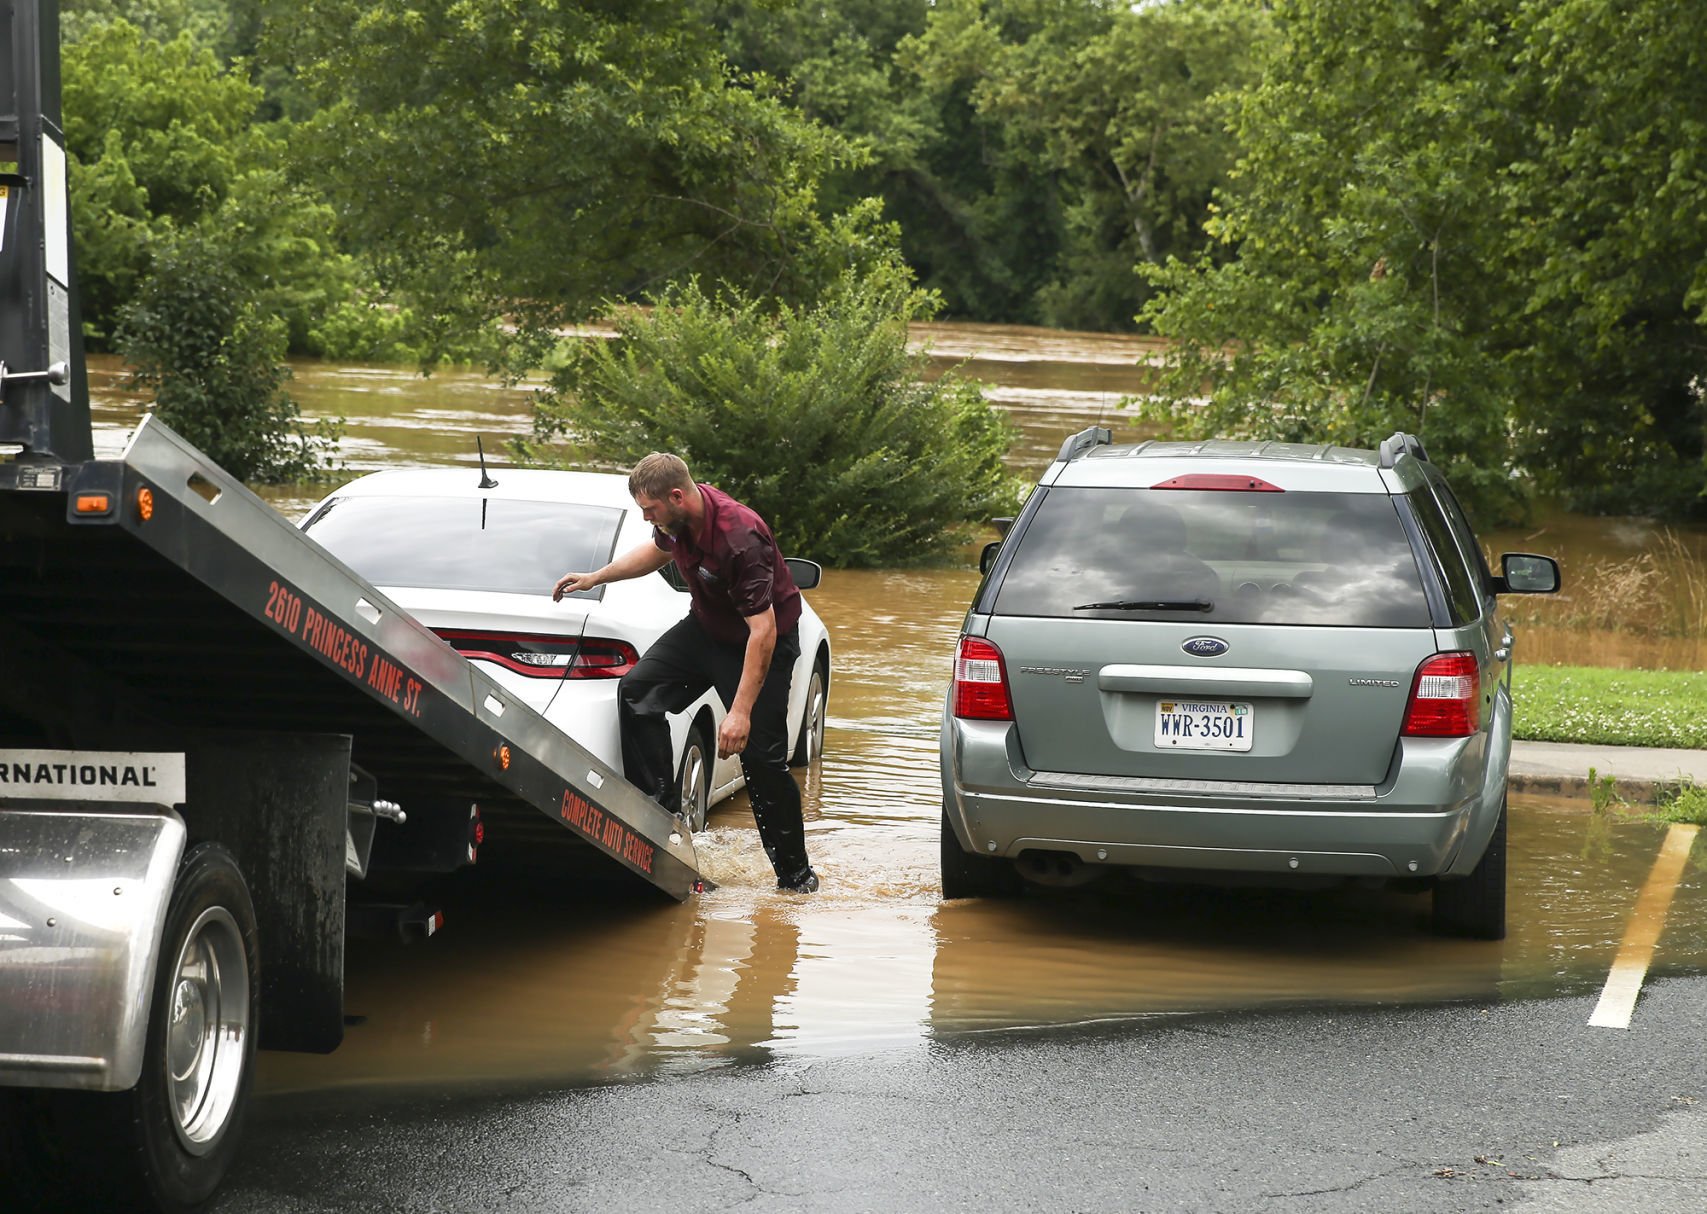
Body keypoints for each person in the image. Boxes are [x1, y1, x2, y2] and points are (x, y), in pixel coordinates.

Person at [552, 453, 818, 893]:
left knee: (762, 761)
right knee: (638, 692)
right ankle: (663, 834)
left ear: (677, 497)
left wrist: (739, 712)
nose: (646, 519)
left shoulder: (738, 537)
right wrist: (596, 576)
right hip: (707, 630)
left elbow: (764, 631)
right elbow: (656, 553)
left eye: (650, 510)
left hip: (759, 646)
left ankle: (796, 880)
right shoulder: (675, 522)